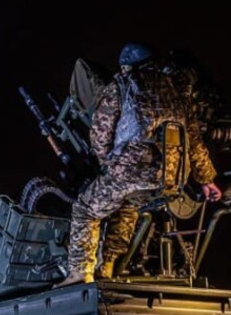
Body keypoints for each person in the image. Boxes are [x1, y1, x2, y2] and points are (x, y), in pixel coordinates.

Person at [63, 43, 222, 283]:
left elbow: (100, 135)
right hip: (170, 180)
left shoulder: (120, 86)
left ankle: (79, 273)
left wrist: (109, 164)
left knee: (85, 210)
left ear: (128, 66)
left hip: (129, 174)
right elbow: (195, 141)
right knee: (128, 206)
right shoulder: (177, 90)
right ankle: (108, 266)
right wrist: (206, 180)